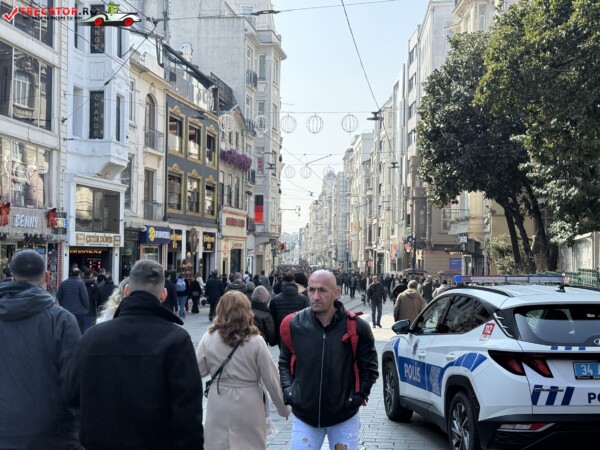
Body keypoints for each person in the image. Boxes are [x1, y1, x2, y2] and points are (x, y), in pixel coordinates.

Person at [65, 260, 203, 449]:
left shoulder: (92, 337)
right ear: (163, 295)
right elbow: (188, 413)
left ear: (127, 291)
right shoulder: (176, 340)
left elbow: (70, 395)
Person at [279, 270, 379, 449]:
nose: (315, 296)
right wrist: (290, 392)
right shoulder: (294, 324)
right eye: (311, 290)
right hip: (305, 416)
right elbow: (284, 363)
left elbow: (369, 369)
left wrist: (356, 398)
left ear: (336, 293)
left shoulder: (357, 327)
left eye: (322, 290)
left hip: (343, 417)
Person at [0, 249, 81, 449]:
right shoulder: (62, 320)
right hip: (49, 434)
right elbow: (75, 383)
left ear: (12, 277)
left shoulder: (61, 320)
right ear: (47, 276)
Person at [196, 291, 290, 450]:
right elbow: (271, 379)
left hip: (219, 398)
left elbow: (198, 370)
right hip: (249, 401)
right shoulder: (256, 341)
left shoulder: (208, 338)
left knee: (219, 444)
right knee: (249, 444)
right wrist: (284, 408)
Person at [269, 273, 309, 347]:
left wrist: (274, 337)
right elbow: (307, 317)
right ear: (294, 282)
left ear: (283, 283)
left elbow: (272, 319)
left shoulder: (275, 299)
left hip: (281, 333)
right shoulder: (303, 299)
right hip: (298, 333)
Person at [57, 268, 89, 333]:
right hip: (79, 312)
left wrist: (63, 304)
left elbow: (59, 296)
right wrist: (86, 306)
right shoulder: (81, 283)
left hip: (67, 311)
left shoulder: (63, 283)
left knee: (67, 330)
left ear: (70, 273)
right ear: (79, 274)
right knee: (80, 331)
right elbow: (84, 297)